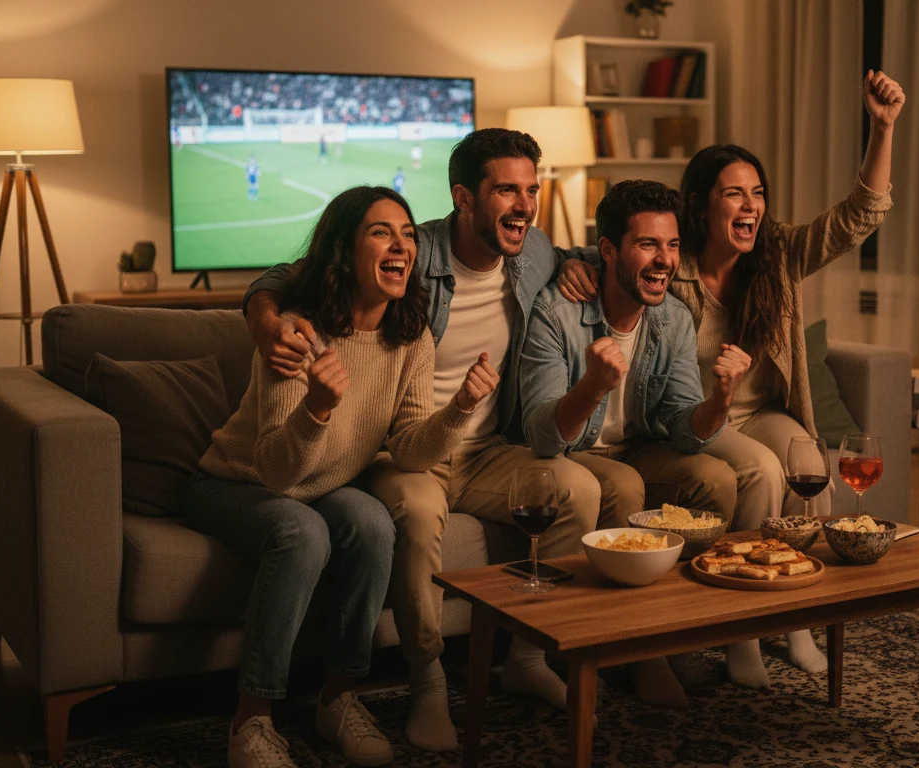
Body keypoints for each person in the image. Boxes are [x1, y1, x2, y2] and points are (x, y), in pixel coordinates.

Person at [241, 129, 610, 753]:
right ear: (463, 199)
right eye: (505, 191)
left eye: (531, 190)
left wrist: (579, 263)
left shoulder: (536, 251)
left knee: (577, 486)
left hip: (488, 445)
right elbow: (296, 269)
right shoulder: (416, 248)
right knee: (411, 509)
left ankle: (527, 657)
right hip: (404, 448)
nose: (524, 205)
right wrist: (263, 312)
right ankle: (428, 677)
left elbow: (598, 254)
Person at [559, 70, 904, 689]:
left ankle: (794, 615)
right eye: (734, 194)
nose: (751, 206)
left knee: (807, 460)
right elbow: (603, 254)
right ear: (700, 204)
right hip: (696, 416)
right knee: (761, 471)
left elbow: (858, 217)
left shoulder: (778, 255)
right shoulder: (671, 263)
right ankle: (743, 628)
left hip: (762, 408)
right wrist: (572, 266)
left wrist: (882, 130)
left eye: (758, 193)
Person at [184, 186, 496, 768]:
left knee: (374, 523)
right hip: (235, 484)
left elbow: (407, 451)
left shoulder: (411, 335)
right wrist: (318, 408)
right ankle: (251, 719)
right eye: (381, 232)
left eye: (407, 234)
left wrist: (458, 410)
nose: (401, 244)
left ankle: (339, 697)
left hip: (322, 487)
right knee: (303, 532)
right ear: (343, 252)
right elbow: (278, 472)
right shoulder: (294, 334)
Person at [521, 179, 740, 708]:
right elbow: (544, 436)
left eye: (670, 245)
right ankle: (633, 651)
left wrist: (720, 400)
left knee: (717, 479)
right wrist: (594, 385)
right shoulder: (557, 313)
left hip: (638, 447)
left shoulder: (674, 318)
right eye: (647, 244)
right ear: (609, 250)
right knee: (621, 483)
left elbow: (684, 432)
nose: (663, 260)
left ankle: (673, 631)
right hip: (573, 453)